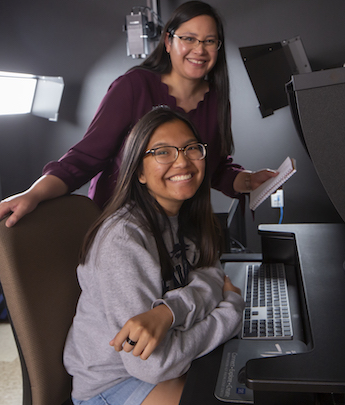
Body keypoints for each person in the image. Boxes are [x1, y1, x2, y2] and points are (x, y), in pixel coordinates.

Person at [0, 0, 277, 242]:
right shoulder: (134, 86)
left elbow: (211, 165)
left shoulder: (215, 97)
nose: (199, 49)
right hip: (124, 230)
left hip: (178, 230)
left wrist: (249, 181)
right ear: (168, 41)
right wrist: (34, 194)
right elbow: (85, 157)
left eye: (209, 41)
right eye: (188, 38)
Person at [63, 106, 244, 405]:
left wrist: (168, 312)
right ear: (139, 172)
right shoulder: (123, 239)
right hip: (114, 386)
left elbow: (211, 272)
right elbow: (153, 364)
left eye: (191, 149)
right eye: (162, 152)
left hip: (161, 365)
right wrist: (231, 310)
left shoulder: (183, 214)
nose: (182, 161)